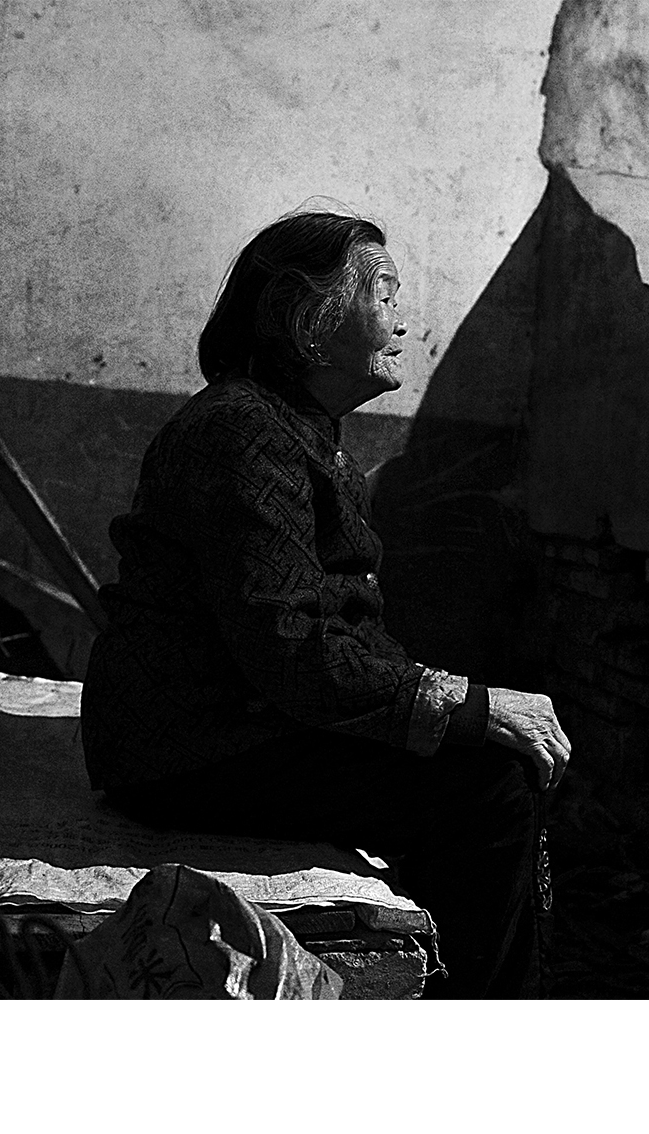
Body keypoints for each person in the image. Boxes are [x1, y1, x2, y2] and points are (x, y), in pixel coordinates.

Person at [80, 210, 570, 996]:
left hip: (229, 723)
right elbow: (290, 648)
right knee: (487, 789)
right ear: (307, 323)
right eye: (384, 295)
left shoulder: (291, 428)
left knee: (480, 761)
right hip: (189, 750)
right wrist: (467, 706)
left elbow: (334, 634)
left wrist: (454, 704)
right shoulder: (243, 433)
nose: (404, 320)